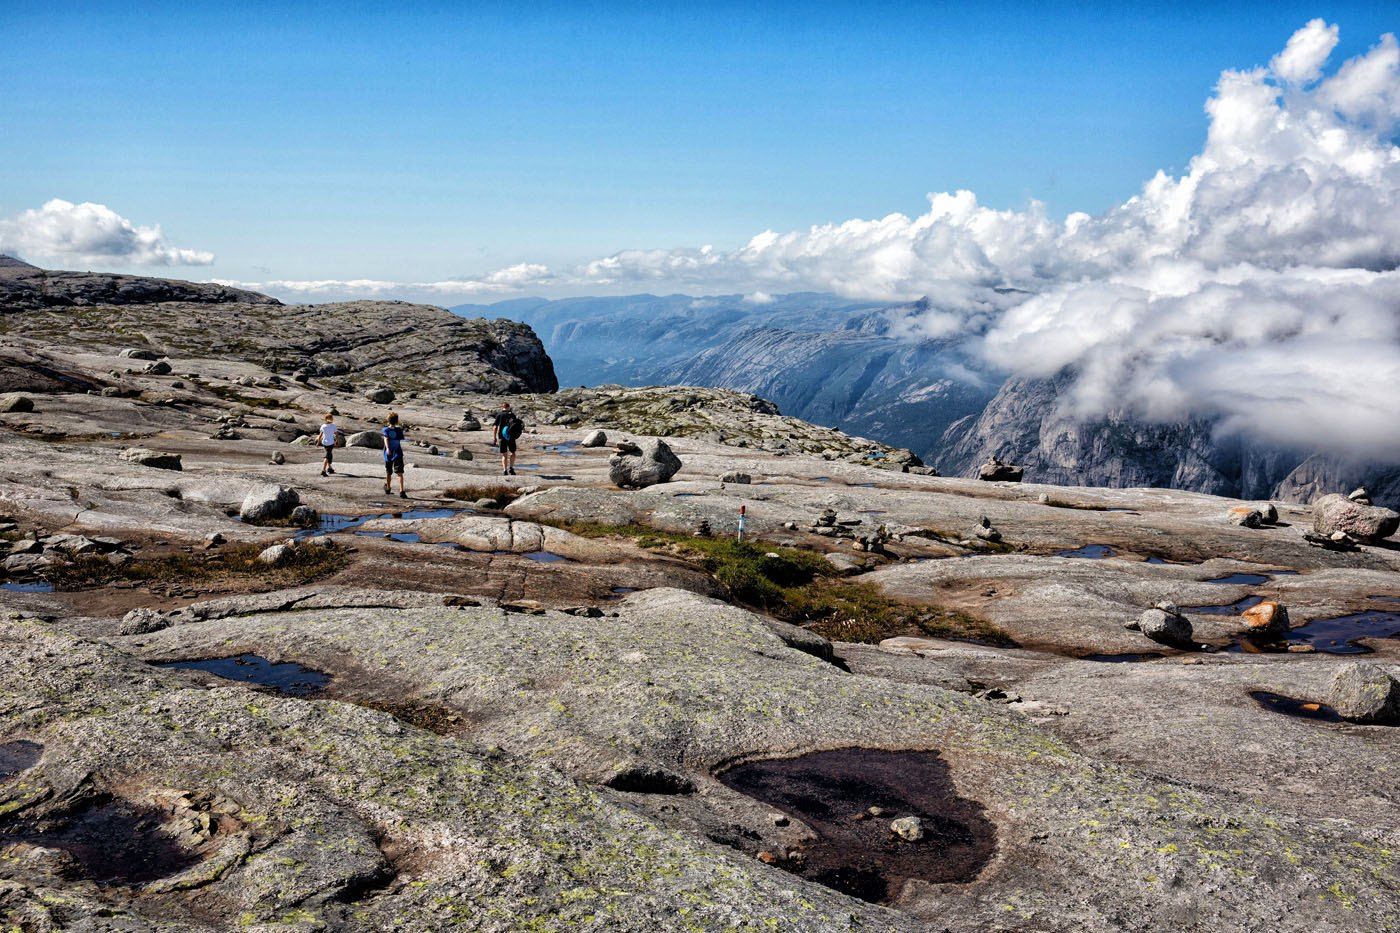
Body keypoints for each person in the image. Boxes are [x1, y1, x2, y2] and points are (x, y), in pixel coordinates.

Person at [381, 412, 407, 498]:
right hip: (398, 453)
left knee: (389, 472)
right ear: (397, 421)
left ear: (388, 420)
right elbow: (399, 439)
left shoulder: (385, 430)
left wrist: (388, 448)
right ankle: (401, 490)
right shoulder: (399, 430)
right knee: (400, 473)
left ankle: (388, 488)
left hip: (388, 453)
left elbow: (386, 438)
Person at [492, 401, 522, 476]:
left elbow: (495, 427)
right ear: (508, 407)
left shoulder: (499, 415)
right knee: (513, 453)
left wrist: (494, 437)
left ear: (502, 407)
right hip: (511, 437)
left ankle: (505, 470)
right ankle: (511, 468)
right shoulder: (512, 415)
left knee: (504, 455)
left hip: (501, 437)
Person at [318, 413, 341, 477]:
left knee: (329, 454)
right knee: (327, 456)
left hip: (324, 442)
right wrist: (337, 441)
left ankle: (330, 468)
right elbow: (336, 434)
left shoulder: (323, 426)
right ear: (331, 419)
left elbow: (320, 435)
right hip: (330, 442)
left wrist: (318, 442)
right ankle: (323, 470)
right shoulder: (333, 426)